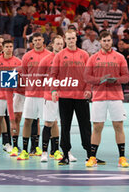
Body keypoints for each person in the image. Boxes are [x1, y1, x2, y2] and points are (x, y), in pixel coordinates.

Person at [84, 31, 129, 168]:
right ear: (100, 42)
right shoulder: (93, 58)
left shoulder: (120, 57)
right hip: (98, 97)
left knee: (118, 126)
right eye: (104, 41)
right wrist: (100, 80)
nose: (107, 43)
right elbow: (86, 77)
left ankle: (122, 157)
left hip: (115, 96)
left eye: (109, 40)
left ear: (112, 41)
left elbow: (126, 77)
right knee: (97, 127)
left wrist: (116, 80)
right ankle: (92, 157)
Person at [50, 30, 92, 165]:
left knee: (85, 126)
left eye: (73, 38)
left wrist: (88, 89)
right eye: (68, 38)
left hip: (81, 97)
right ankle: (65, 154)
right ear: (65, 39)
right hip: (65, 97)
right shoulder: (60, 56)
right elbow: (53, 75)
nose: (71, 40)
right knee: (65, 126)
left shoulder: (84, 55)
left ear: (76, 39)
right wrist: (54, 90)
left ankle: (90, 154)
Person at [17, 33, 51, 161]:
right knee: (27, 121)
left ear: (43, 41)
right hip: (30, 95)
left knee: (49, 122)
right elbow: (24, 74)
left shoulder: (49, 55)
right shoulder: (26, 56)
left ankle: (50, 151)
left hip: (45, 95)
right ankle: (25, 150)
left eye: (39, 40)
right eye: (35, 40)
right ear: (32, 42)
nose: (37, 42)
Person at [37, 36, 65, 162]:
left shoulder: (66, 59)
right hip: (50, 97)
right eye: (57, 44)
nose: (59, 46)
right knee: (48, 122)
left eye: (61, 44)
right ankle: (44, 152)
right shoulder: (46, 60)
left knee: (56, 123)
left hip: (64, 97)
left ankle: (55, 151)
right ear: (52, 45)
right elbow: (40, 78)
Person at [0, 40, 20, 154]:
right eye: (6, 46)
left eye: (10, 46)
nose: (8, 48)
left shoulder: (18, 62)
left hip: (14, 96)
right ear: (2, 48)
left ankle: (14, 145)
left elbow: (20, 78)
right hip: (0, 96)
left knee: (15, 120)